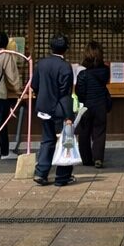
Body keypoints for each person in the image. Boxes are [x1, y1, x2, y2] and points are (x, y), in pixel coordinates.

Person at [31, 34, 76, 186]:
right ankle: (62, 176)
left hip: (43, 107)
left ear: (51, 47)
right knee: (65, 142)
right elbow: (65, 90)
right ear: (66, 49)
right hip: (60, 108)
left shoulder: (41, 64)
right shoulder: (65, 66)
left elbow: (34, 85)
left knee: (47, 140)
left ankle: (41, 172)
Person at [74, 41, 112, 169]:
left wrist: (84, 100)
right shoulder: (105, 71)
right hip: (101, 104)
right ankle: (98, 158)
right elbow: (105, 83)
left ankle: (86, 158)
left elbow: (79, 91)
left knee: (84, 133)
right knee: (99, 132)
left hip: (86, 105)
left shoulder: (82, 73)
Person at [0, 34, 25, 160]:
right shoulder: (5, 55)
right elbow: (12, 76)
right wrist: (19, 89)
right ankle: (5, 152)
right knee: (1, 123)